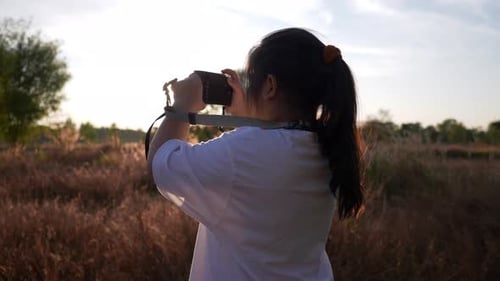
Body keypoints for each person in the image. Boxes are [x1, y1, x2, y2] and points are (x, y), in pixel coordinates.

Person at [147, 27, 364, 281]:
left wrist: (182, 106)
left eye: (252, 80)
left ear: (270, 86)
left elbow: (161, 163)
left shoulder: (241, 153)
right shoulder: (327, 145)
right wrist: (250, 119)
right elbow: (268, 154)